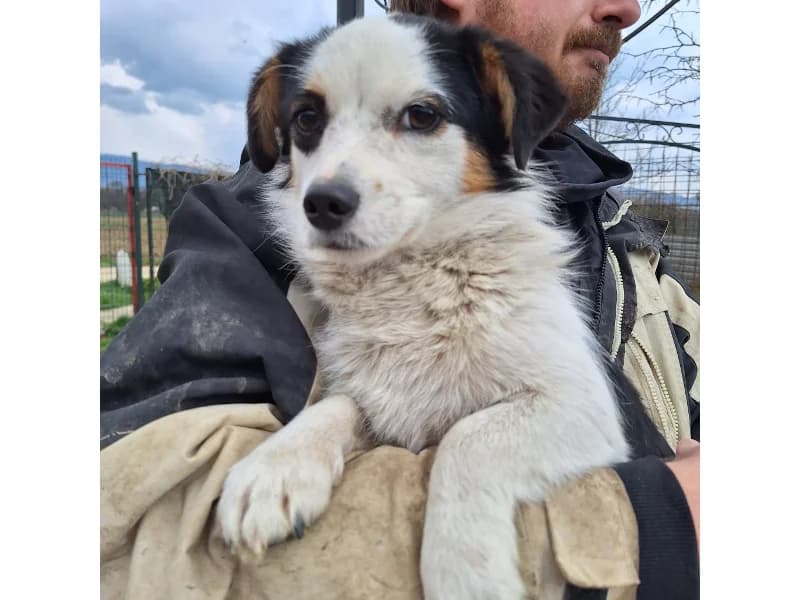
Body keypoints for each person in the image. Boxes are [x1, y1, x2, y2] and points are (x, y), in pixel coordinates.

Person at [100, 0, 700, 598]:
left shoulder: (621, 233)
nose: (625, 6)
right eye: (310, 121)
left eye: (417, 117)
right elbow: (118, 530)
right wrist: (665, 523)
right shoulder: (237, 250)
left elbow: (585, 414)